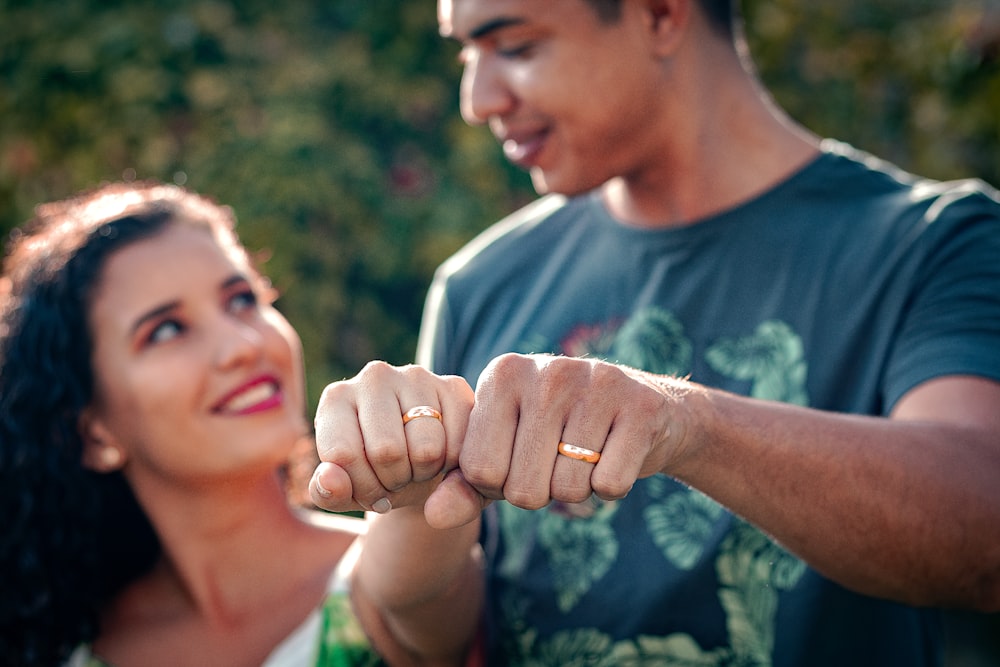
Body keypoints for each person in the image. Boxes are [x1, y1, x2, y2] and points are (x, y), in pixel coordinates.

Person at [310, 0, 1000, 665]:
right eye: (467, 53)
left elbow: (983, 535)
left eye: (515, 46)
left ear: (661, 14)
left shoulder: (935, 245)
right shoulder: (479, 283)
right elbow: (440, 643)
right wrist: (410, 513)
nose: (478, 99)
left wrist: (687, 424)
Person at [0, 181, 483, 667]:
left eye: (241, 300)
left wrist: (422, 469)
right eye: (166, 329)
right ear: (93, 433)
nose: (243, 346)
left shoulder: (378, 590)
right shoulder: (54, 649)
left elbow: (423, 574)